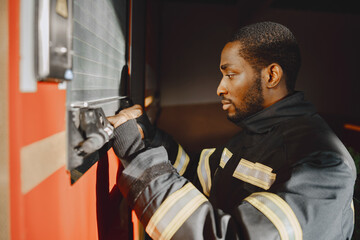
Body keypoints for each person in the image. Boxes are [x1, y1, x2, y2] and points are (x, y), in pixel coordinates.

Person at [107, 22, 356, 239]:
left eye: (231, 74)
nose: (220, 88)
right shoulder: (255, 134)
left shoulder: (326, 165)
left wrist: (138, 158)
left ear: (271, 76)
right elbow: (196, 174)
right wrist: (147, 135)